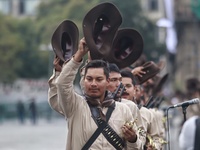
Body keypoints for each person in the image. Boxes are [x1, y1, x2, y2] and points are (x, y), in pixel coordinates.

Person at [52, 38, 143, 149]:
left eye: (99, 79)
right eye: (89, 79)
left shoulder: (124, 110)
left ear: (107, 81)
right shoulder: (75, 106)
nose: (93, 84)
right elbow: (62, 84)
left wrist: (133, 139)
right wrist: (79, 55)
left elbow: (135, 148)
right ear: (83, 80)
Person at [120, 70, 165, 150]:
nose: (124, 89)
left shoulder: (147, 113)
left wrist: (154, 146)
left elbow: (158, 138)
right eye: (120, 86)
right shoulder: (111, 110)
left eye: (128, 86)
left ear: (135, 89)